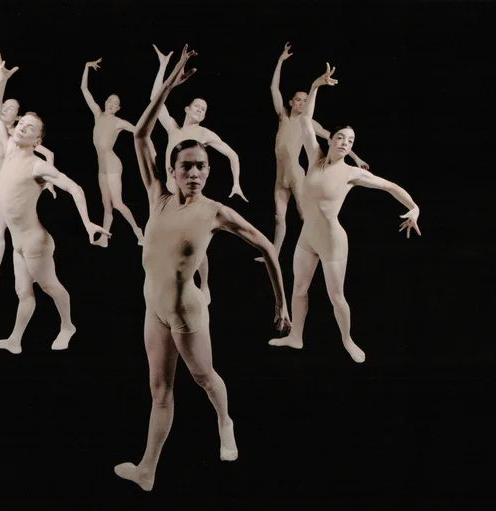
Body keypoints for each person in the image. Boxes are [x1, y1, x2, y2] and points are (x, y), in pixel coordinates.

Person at [114, 45, 292, 492]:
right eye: (186, 167)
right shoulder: (157, 194)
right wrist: (169, 85)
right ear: (172, 171)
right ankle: (147, 470)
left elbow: (269, 248)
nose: (193, 173)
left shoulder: (216, 212)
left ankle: (225, 421)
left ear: (208, 172)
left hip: (188, 314)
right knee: (160, 393)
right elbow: (139, 135)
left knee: (203, 378)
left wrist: (282, 305)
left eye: (200, 167)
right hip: (153, 310)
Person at [268, 63, 421, 364]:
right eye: (340, 137)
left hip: (333, 240)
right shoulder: (314, 159)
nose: (345, 143)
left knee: (336, 298)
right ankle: (296, 336)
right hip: (307, 238)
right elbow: (306, 121)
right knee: (298, 290)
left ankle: (348, 340)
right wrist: (314, 86)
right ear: (331, 139)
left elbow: (390, 186)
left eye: (350, 141)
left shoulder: (352, 173)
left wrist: (414, 207)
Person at [0, 50, 111, 354]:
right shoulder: (9, 148)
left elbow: (75, 187)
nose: (23, 127)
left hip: (34, 242)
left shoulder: (38, 165)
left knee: (49, 287)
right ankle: (15, 341)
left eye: (31, 128)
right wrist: (1, 80)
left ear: (38, 142)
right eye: (22, 123)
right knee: (23, 293)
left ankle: (68, 325)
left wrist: (88, 223)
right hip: (17, 241)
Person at [147, 45, 248, 304]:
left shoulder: (205, 134)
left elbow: (233, 154)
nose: (201, 111)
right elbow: (154, 101)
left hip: (191, 194)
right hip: (168, 193)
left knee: (195, 241)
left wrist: (236, 183)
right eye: (197, 107)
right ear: (187, 109)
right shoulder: (173, 128)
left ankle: (203, 284)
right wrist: (163, 66)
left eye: (204, 110)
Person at [255, 42, 369, 264]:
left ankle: (316, 250)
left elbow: (334, 138)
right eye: (297, 100)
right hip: (280, 177)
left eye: (305, 101)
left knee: (305, 215)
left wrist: (356, 157)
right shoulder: (284, 116)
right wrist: (280, 61)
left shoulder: (310, 124)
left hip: (297, 175)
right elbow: (273, 89)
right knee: (279, 219)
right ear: (291, 102)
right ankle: (273, 256)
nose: (301, 103)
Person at [0, 41, 57, 284]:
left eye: (11, 108)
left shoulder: (13, 138)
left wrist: (47, 182)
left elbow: (47, 154)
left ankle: (18, 275)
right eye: (4, 105)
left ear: (18, 116)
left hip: (8, 191)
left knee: (6, 233)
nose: (5, 108)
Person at [80, 57, 145, 247]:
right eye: (109, 100)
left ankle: (138, 233)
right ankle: (104, 239)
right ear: (105, 102)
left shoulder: (119, 122)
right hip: (102, 167)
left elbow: (140, 130)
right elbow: (84, 90)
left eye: (115, 102)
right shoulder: (97, 115)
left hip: (113, 165)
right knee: (106, 206)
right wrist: (86, 67)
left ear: (118, 108)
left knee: (118, 204)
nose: (111, 103)